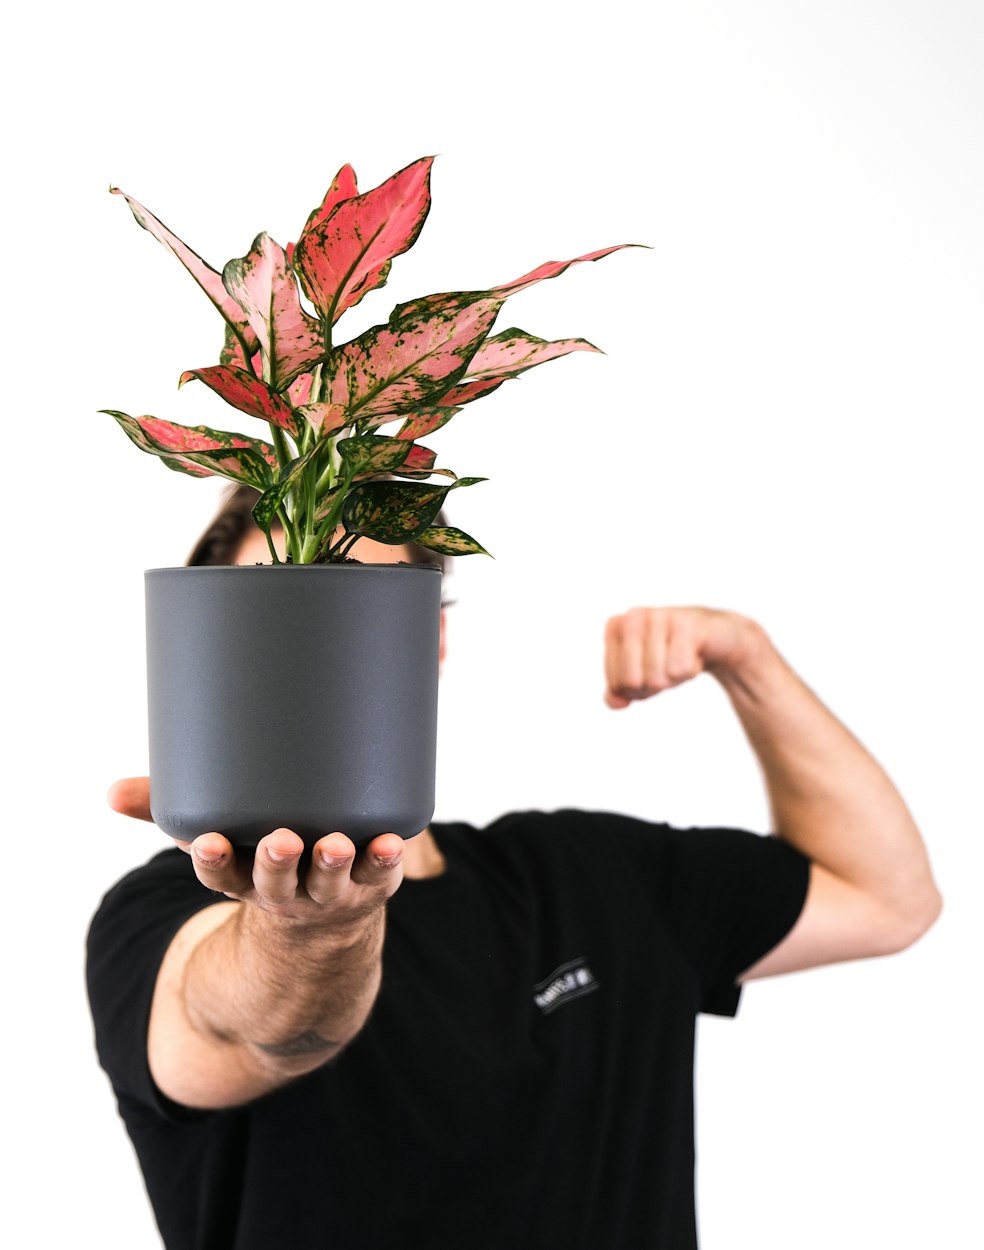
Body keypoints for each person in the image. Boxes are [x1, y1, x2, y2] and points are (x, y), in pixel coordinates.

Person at [87, 486, 942, 1250]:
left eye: (349, 604)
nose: (311, 648)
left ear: (432, 640)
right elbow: (245, 1029)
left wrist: (749, 662)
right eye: (273, 610)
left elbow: (886, 899)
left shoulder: (592, 878)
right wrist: (321, 929)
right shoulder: (162, 912)